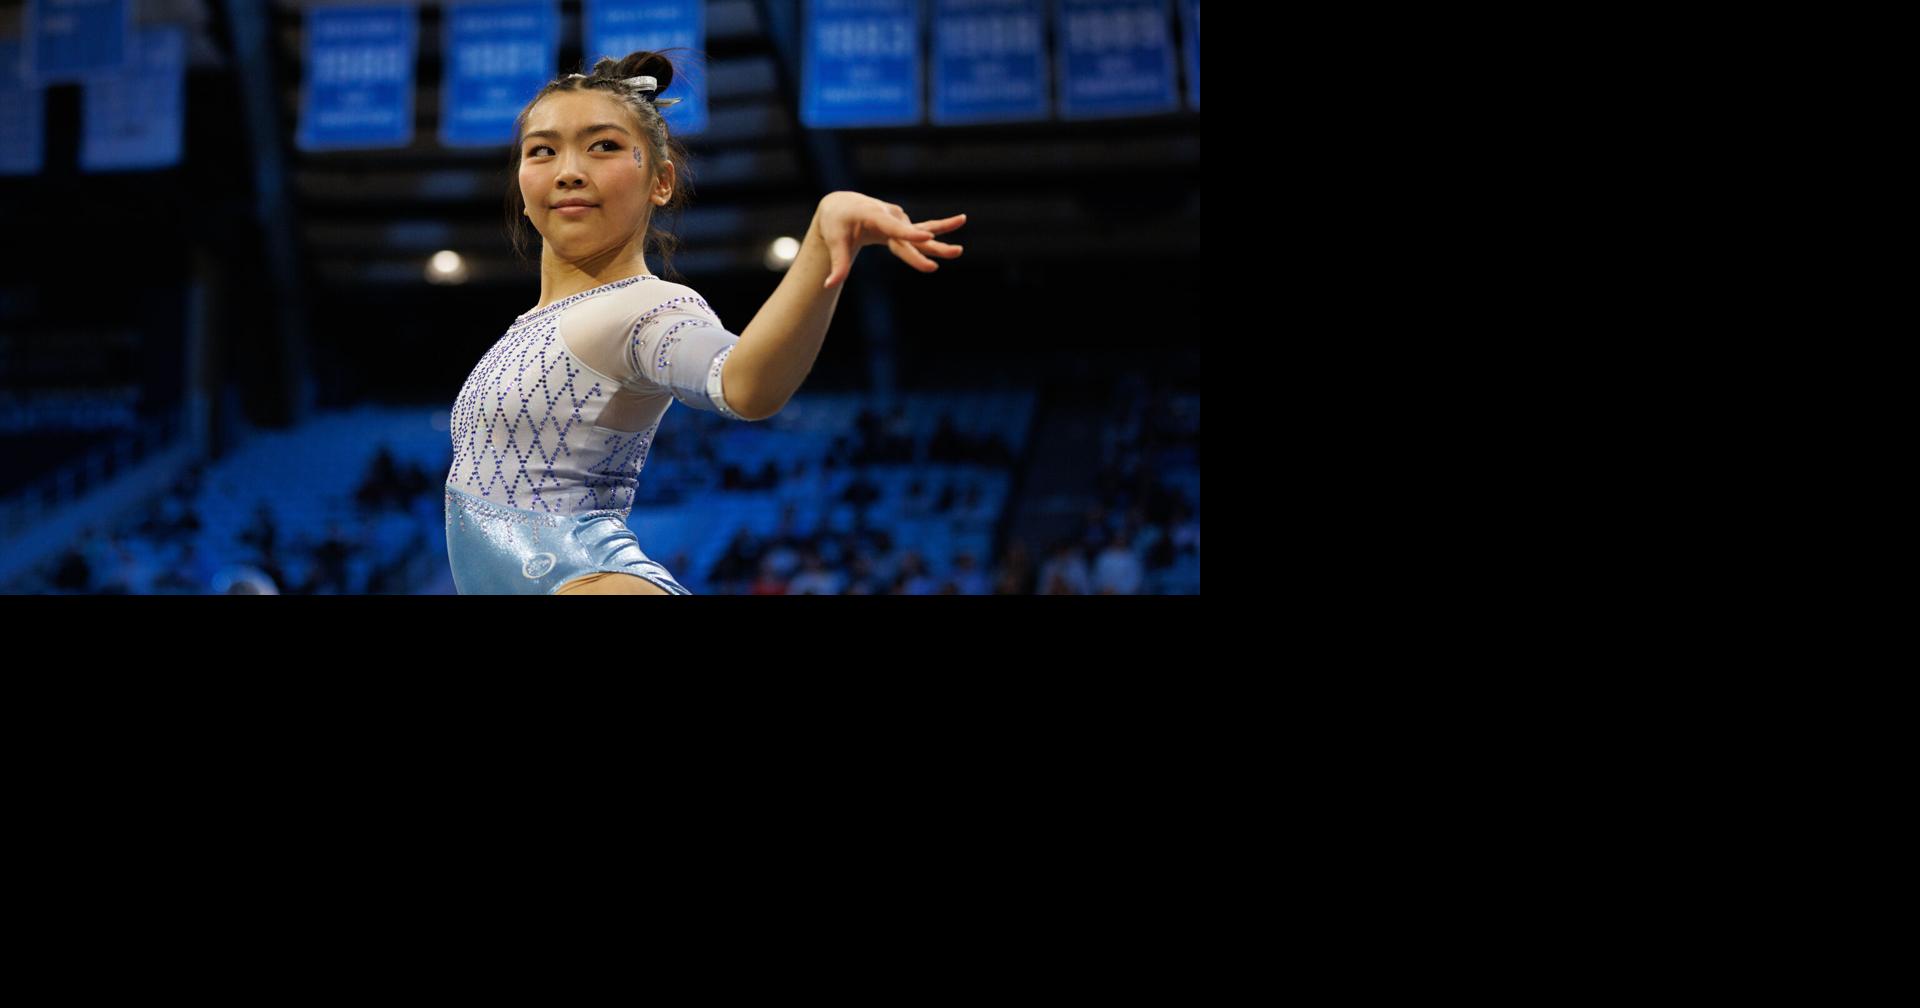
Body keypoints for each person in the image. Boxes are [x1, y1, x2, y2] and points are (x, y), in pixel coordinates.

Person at [444, 51, 966, 595]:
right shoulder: (532, 323)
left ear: (661, 181)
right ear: (523, 185)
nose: (570, 170)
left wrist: (823, 240)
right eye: (543, 150)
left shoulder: (648, 308)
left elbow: (744, 385)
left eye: (604, 146)